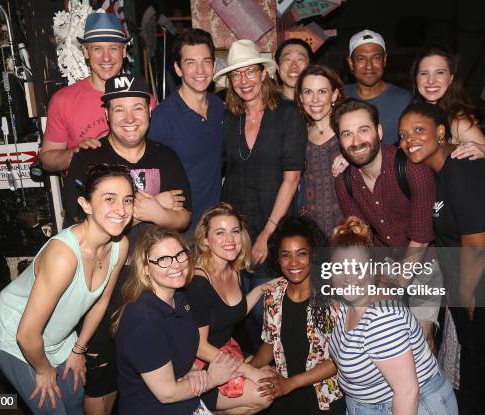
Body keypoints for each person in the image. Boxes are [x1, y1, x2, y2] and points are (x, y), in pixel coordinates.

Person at [398, 102, 485, 415]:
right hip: (479, 278)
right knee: (475, 355)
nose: (409, 140)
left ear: (442, 132)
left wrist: (466, 292)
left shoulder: (462, 168)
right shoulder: (438, 172)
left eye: (418, 130)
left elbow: (475, 244)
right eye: (403, 135)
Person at [64, 73, 191, 414]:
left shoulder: (167, 157)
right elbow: (80, 225)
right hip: (104, 287)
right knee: (102, 385)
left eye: (138, 108)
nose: (130, 117)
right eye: (119, 109)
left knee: (157, 377)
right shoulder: (88, 160)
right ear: (106, 114)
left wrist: (157, 212)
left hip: (157, 285)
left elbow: (183, 218)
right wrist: (147, 208)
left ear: (150, 112)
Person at [0, 164, 134, 414]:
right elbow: (26, 334)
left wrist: (79, 349)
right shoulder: (64, 255)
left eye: (127, 200)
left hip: (59, 337)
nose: (121, 210)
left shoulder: (120, 245)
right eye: (110, 199)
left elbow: (100, 302)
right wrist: (43, 370)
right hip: (15, 332)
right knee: (52, 408)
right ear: (86, 205)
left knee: (74, 399)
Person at [214, 39, 307, 347]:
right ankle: (258, 375)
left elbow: (291, 179)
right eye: (237, 75)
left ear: (264, 73)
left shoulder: (288, 114)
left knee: (268, 312)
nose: (244, 81)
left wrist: (268, 232)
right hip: (235, 231)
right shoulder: (229, 118)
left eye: (250, 72)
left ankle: (284, 374)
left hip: (273, 225)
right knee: (241, 309)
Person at [331, 98, 441, 343]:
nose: (356, 141)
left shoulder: (412, 170)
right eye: (347, 134)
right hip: (383, 263)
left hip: (424, 263)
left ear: (379, 132)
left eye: (363, 130)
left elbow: (421, 239)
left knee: (421, 338)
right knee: (379, 337)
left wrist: (395, 288)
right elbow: (359, 238)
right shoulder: (344, 181)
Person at [327, 216, 458, 415]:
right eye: (340, 268)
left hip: (413, 406)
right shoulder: (347, 303)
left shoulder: (382, 320)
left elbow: (407, 393)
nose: (347, 277)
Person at [112, 224, 241, 415]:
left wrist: (191, 374)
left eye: (180, 255)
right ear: (146, 268)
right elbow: (167, 393)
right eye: (163, 259)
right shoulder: (143, 320)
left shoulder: (179, 299)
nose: (176, 264)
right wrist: (212, 378)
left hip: (185, 400)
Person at [249, 216, 345, 414]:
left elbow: (338, 359)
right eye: (286, 255)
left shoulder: (332, 296)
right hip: (283, 392)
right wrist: (248, 367)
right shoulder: (274, 294)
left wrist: (290, 384)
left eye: (301, 254)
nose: (293, 262)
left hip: (323, 397)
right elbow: (270, 342)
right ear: (278, 258)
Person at [185, 202, 274, 413]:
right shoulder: (199, 282)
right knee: (264, 393)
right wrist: (249, 372)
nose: (230, 240)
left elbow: (232, 312)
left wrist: (265, 288)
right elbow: (200, 347)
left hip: (224, 351)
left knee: (271, 380)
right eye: (220, 232)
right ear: (205, 240)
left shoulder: (233, 269)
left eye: (235, 231)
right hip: (199, 364)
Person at [40, 11, 155, 172]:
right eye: (97, 49)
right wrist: (78, 153)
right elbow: (47, 161)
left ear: (123, 51)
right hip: (85, 193)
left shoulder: (143, 99)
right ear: (86, 52)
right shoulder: (63, 100)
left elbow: (158, 154)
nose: (106, 58)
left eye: (113, 48)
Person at [148, 29, 224, 237]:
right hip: (182, 233)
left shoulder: (219, 107)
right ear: (178, 69)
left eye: (206, 61)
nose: (200, 70)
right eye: (190, 62)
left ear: (214, 65)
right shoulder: (162, 119)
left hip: (215, 226)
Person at [411, 45, 485, 181]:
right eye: (424, 73)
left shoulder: (458, 123)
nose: (431, 80)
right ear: (416, 78)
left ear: (451, 78)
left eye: (440, 72)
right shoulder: (413, 118)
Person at [294, 64, 344, 240]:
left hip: (348, 226)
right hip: (310, 230)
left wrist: (354, 158)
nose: (315, 100)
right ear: (300, 97)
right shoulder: (298, 133)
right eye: (308, 92)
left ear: (335, 95)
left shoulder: (348, 130)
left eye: (322, 92)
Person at [344, 29, 411, 145]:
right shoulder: (339, 96)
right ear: (351, 63)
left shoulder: (404, 99)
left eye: (376, 58)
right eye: (361, 58)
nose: (369, 66)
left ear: (384, 60)